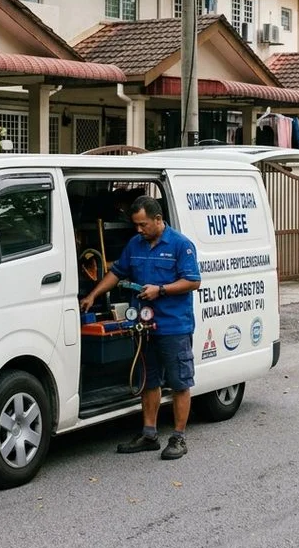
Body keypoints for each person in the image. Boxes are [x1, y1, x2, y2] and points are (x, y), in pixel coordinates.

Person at [79, 195, 202, 460]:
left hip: (173, 326)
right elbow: (118, 272)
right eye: (136, 225)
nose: (139, 229)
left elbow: (193, 282)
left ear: (158, 220)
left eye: (143, 224)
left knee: (180, 382)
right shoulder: (135, 244)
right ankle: (149, 434)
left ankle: (179, 438)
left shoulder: (181, 245)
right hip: (144, 326)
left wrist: (161, 290)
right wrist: (93, 294)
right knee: (148, 380)